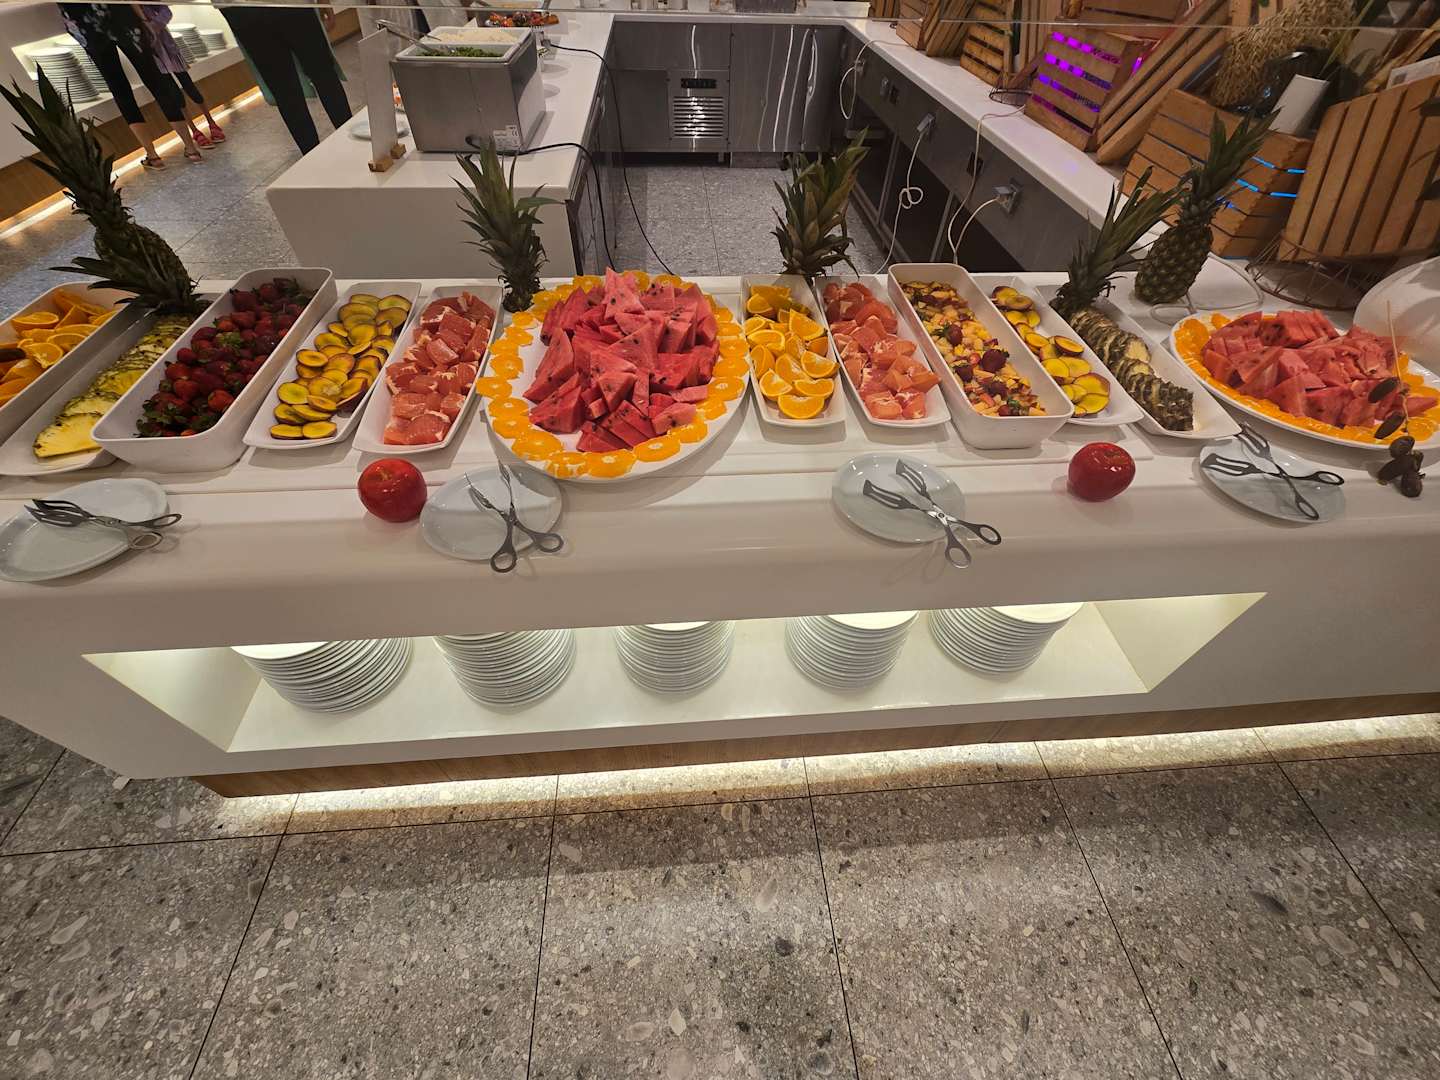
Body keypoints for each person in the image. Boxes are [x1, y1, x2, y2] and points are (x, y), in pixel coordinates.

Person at [57, 2, 203, 168]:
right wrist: (144, 20)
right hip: (123, 18)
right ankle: (191, 148)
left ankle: (153, 156)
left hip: (87, 26)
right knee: (156, 82)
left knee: (120, 90)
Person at [219, 4, 352, 154]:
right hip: (280, 8)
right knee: (322, 75)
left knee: (287, 92)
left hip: (243, 11)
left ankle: (314, 157)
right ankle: (352, 145)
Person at [136, 4, 226, 148]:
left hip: (169, 49)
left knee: (190, 87)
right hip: (154, 56)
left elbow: (166, 11)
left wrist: (152, 25)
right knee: (174, 93)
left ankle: (211, 122)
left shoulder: (147, 4)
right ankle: (194, 130)